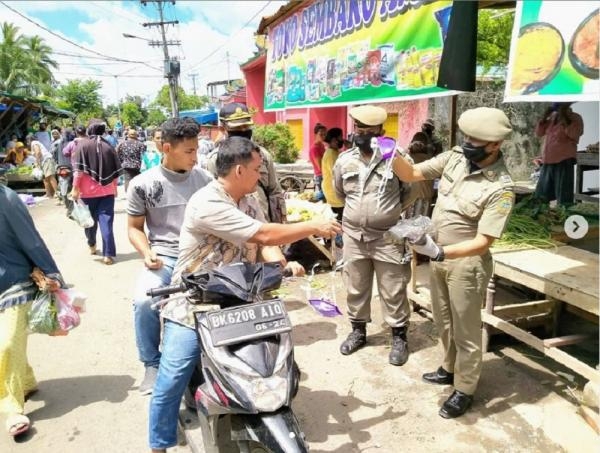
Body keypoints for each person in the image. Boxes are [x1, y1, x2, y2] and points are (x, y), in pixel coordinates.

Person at [148, 136, 341, 452]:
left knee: (274, 365)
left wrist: (282, 263)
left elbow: (265, 243)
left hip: (241, 298)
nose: (260, 176)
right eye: (256, 170)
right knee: (174, 374)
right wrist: (313, 227)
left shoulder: (250, 200)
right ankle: (159, 444)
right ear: (239, 170)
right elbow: (263, 232)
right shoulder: (207, 202)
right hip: (197, 301)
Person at [392, 107, 515, 419]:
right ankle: (448, 368)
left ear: (494, 145)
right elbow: (411, 173)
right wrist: (389, 152)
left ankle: (465, 388)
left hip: (466, 265)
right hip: (438, 256)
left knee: (466, 329)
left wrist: (443, 254)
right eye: (467, 137)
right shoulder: (455, 157)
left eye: (476, 139)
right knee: (443, 321)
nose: (468, 142)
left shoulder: (500, 187)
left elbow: (484, 242)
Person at [127, 118, 213, 395]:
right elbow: (134, 229)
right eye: (189, 151)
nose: (195, 156)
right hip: (165, 257)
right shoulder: (142, 185)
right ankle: (152, 363)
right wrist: (146, 251)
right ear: (167, 148)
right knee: (143, 302)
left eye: (196, 150)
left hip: (203, 257)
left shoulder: (206, 181)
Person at [333, 105, 413, 367]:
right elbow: (340, 193)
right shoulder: (344, 160)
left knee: (393, 288)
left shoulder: (396, 157)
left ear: (381, 131)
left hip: (387, 237)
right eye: (359, 129)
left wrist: (389, 212)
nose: (363, 135)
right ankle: (358, 332)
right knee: (355, 286)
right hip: (355, 237)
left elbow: (410, 190)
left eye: (370, 131)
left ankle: (399, 337)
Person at [0, 184, 65, 437]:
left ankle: (12, 407)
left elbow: (31, 239)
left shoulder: (7, 198)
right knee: (10, 339)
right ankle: (25, 381)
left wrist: (52, 274)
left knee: (7, 343)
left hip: (13, 280)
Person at [205, 103, 286, 223]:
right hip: (234, 228)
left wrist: (280, 225)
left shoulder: (262, 155)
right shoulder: (214, 160)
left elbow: (275, 192)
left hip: (264, 225)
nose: (243, 131)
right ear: (223, 129)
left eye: (246, 127)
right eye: (237, 128)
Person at [70, 119, 122, 265]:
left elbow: (78, 171)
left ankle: (91, 244)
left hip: (87, 194)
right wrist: (114, 188)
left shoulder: (83, 145)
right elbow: (115, 173)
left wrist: (75, 188)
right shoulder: (109, 147)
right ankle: (108, 255)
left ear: (89, 130)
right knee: (106, 223)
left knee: (89, 222)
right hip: (107, 193)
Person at [534, 102, 584, 206]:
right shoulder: (552, 117)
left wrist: (565, 118)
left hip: (563, 161)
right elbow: (539, 133)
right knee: (541, 195)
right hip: (547, 160)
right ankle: (542, 217)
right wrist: (544, 117)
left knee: (563, 196)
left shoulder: (575, 118)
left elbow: (574, 134)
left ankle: (564, 218)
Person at [116, 128, 145, 193]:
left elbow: (118, 154)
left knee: (127, 180)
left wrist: (121, 163)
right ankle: (137, 195)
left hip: (126, 165)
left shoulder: (122, 144)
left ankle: (129, 195)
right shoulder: (141, 144)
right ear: (136, 135)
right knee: (138, 181)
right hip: (138, 166)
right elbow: (144, 156)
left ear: (128, 135)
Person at [309, 122, 327, 201]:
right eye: (321, 134)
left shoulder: (322, 145)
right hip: (321, 176)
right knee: (322, 198)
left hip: (324, 175)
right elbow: (320, 167)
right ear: (315, 135)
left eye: (325, 134)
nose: (323, 136)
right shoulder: (314, 149)